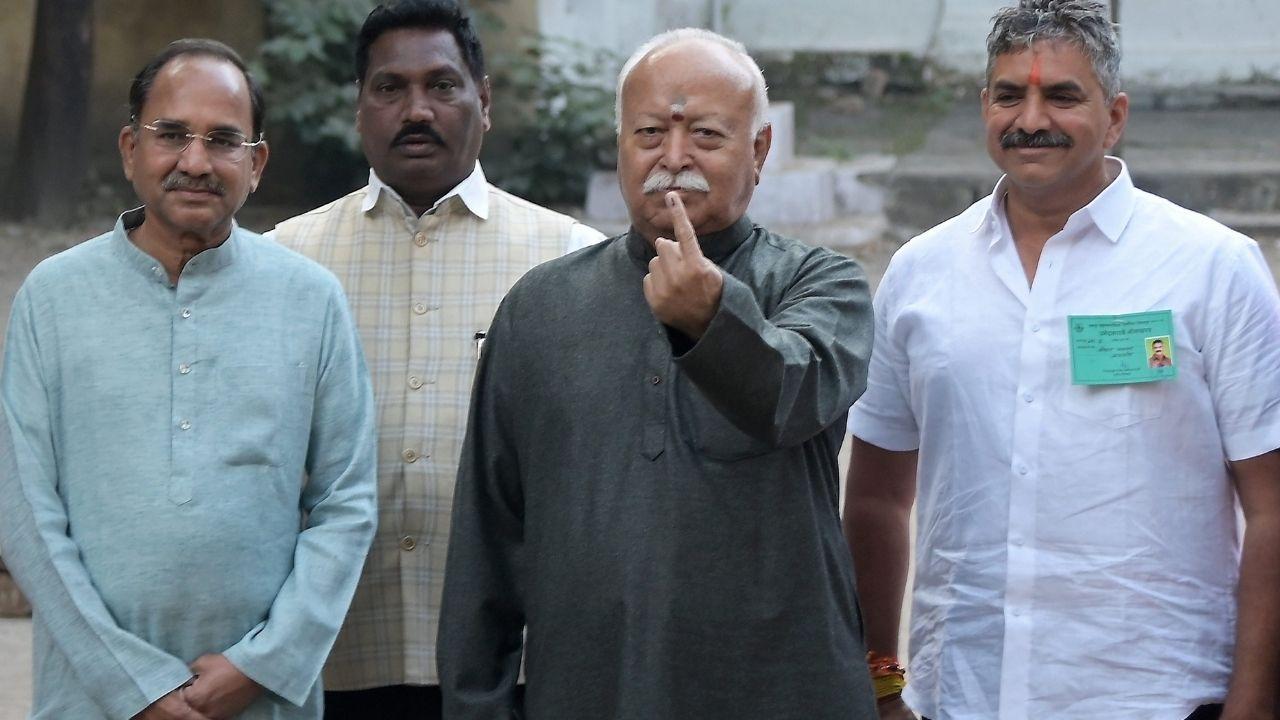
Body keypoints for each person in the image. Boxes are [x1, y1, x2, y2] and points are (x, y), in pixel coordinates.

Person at [843, 2, 1280, 719]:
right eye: (1010, 94)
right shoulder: (921, 274)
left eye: (1062, 95)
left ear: (1114, 116)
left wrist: (1255, 705)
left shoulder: (1212, 269)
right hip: (963, 694)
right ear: (985, 106)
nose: (1031, 117)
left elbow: (1272, 507)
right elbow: (875, 498)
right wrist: (884, 683)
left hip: (1159, 697)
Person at [438, 27, 878, 720]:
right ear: (618, 144)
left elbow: (795, 395)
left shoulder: (821, 286)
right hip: (589, 694)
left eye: (706, 135)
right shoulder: (541, 307)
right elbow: (487, 543)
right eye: (649, 134)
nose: (674, 159)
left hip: (782, 694)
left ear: (759, 150)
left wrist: (711, 320)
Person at [0, 40, 378, 720]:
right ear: (129, 149)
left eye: (224, 140)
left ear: (255, 163)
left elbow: (346, 504)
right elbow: (23, 511)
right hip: (90, 699)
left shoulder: (311, 301)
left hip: (258, 700)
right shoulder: (52, 298)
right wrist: (131, 683)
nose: (196, 162)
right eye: (171, 135)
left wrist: (262, 665)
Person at [270, 2, 604, 717]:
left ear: (483, 100)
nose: (415, 109)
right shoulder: (286, 262)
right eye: (389, 88)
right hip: (330, 656)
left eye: (442, 86)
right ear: (358, 106)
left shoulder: (569, 258)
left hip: (507, 667)